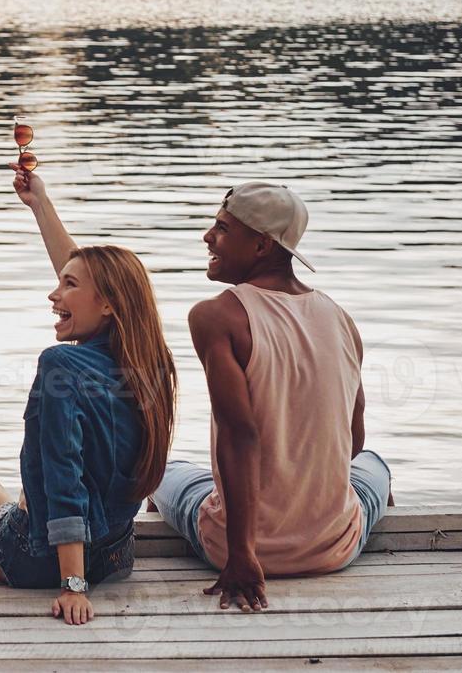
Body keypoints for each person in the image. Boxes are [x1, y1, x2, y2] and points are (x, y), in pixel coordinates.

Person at [150, 182, 393, 614]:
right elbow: (352, 444)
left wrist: (242, 556)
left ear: (261, 245)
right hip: (335, 547)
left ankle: (185, 509)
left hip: (237, 548)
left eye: (222, 229)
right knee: (374, 464)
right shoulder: (341, 319)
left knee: (161, 471)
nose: (207, 237)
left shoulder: (216, 316)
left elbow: (240, 434)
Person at [0, 165, 177, 626]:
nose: (53, 294)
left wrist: (72, 586)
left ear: (107, 304)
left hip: (40, 563)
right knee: (30, 490)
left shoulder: (61, 365)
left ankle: (16, 531)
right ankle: (28, 511)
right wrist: (40, 204)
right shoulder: (150, 362)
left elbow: (65, 476)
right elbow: (92, 277)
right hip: (116, 556)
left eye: (68, 286)